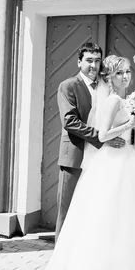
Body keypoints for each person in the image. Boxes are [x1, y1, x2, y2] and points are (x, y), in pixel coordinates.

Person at [44, 55, 135, 270]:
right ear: (110, 77)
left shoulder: (125, 99)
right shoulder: (112, 100)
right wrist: (129, 124)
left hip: (126, 160)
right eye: (120, 73)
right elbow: (103, 134)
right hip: (112, 161)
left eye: (128, 72)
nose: (125, 77)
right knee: (104, 219)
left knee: (121, 222)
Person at [55, 43, 125, 241]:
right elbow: (70, 121)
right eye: (89, 60)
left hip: (100, 159)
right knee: (66, 208)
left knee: (91, 208)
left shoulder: (106, 85)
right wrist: (103, 138)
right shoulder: (68, 85)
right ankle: (60, 254)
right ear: (79, 62)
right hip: (75, 156)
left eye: (97, 60)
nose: (93, 65)